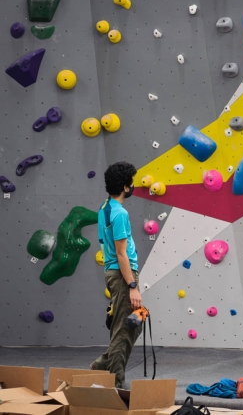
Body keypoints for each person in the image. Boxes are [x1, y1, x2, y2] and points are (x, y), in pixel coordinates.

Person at [90, 162, 143, 388]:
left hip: (116, 274)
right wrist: (132, 285)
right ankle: (117, 386)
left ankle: (103, 363)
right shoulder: (119, 213)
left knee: (135, 323)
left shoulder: (105, 207)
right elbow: (121, 254)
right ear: (125, 186)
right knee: (124, 330)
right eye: (131, 182)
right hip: (123, 276)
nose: (133, 185)